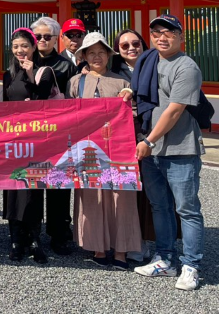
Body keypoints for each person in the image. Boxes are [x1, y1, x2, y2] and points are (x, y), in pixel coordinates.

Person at [134, 14, 205, 291]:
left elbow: (174, 110)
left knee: (187, 209)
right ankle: (164, 259)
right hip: (152, 150)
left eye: (169, 32)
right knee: (159, 206)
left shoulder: (186, 67)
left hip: (180, 148)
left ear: (181, 36)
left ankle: (191, 265)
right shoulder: (149, 61)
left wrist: (149, 141)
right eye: (156, 33)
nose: (161, 37)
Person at [68, 32, 141, 270]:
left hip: (118, 148)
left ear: (109, 55)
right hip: (87, 148)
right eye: (91, 53)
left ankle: (121, 250)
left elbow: (134, 115)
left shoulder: (122, 83)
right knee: (93, 196)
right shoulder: (76, 82)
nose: (97, 57)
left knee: (122, 198)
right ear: (84, 56)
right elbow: (68, 114)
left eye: (101, 52)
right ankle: (97, 246)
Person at [2, 27, 54, 264]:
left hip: (37, 139)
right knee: (13, 187)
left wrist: (31, 75)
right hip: (15, 138)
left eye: (24, 46)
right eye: (15, 47)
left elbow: (42, 102)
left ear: (34, 47)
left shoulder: (45, 72)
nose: (20, 50)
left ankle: (34, 238)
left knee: (33, 188)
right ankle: (15, 239)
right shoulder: (8, 74)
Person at [31, 16, 77, 255]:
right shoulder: (25, 60)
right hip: (31, 132)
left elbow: (73, 99)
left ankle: (59, 233)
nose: (42, 40)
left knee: (59, 184)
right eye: (37, 36)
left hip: (58, 131)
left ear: (55, 38)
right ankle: (32, 233)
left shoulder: (66, 65)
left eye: (47, 36)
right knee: (32, 183)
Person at [110, 28, 157, 262]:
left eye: (136, 43)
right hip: (124, 137)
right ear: (117, 50)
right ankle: (131, 240)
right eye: (124, 45)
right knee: (129, 190)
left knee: (153, 191)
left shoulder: (156, 64)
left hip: (154, 133)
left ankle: (153, 240)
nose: (131, 48)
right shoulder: (113, 72)